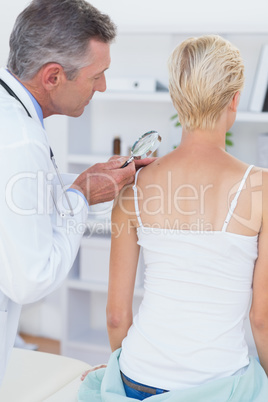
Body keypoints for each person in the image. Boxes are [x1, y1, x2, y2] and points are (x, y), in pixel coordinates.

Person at [79, 35, 268, 401]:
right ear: (234, 99)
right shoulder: (261, 187)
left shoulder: (132, 186)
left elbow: (116, 316)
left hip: (137, 377)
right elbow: (262, 318)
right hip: (217, 385)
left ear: (176, 99)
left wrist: (122, 367)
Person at [0, 0, 153, 385]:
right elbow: (31, 280)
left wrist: (82, 182)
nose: (101, 86)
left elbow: (18, 195)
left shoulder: (12, 117)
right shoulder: (19, 140)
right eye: (96, 76)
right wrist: (81, 196)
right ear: (53, 76)